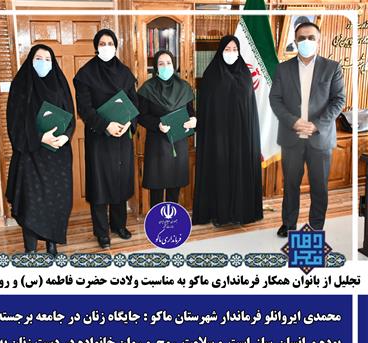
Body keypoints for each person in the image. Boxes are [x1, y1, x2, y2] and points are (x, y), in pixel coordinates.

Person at [269, 22, 345, 237]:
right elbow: (275, 99)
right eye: (302, 38)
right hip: (291, 136)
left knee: (319, 186)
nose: (306, 41)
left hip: (320, 137)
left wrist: (317, 124)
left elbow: (339, 100)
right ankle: (288, 223)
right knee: (290, 184)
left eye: (311, 37)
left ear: (319, 41)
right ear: (295, 41)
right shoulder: (283, 68)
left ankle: (316, 226)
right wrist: (293, 121)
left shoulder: (332, 67)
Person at [6, 44, 75, 255]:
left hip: (57, 155)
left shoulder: (60, 84)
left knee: (56, 201)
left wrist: (65, 136)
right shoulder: (21, 85)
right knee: (31, 203)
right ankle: (31, 249)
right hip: (31, 154)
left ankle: (52, 244)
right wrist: (39, 137)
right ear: (30, 60)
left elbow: (70, 117)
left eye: (47, 59)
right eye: (38, 58)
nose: (43, 62)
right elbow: (14, 123)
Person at [73, 29, 138, 249]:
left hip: (122, 138)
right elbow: (85, 108)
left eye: (110, 43)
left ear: (116, 46)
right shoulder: (85, 74)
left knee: (120, 182)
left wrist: (129, 122)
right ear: (96, 46)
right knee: (100, 185)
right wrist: (105, 125)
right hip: (99, 138)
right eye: (102, 43)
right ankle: (101, 232)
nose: (107, 47)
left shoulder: (125, 73)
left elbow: (134, 103)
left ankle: (119, 225)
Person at [192, 35, 263, 227]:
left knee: (240, 172)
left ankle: (241, 212)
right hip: (218, 136)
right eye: (227, 49)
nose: (231, 53)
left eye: (234, 49)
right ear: (220, 51)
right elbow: (205, 109)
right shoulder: (211, 75)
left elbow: (250, 109)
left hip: (241, 137)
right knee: (220, 172)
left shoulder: (245, 74)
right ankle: (220, 213)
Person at [137, 50, 196, 208]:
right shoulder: (147, 88)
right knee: (157, 188)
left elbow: (191, 112)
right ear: (155, 67)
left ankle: (172, 220)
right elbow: (141, 116)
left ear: (174, 65)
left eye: (168, 63)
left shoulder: (184, 87)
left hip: (178, 144)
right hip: (157, 145)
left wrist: (194, 121)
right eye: (161, 64)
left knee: (174, 188)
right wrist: (157, 124)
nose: (165, 66)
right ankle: (157, 220)